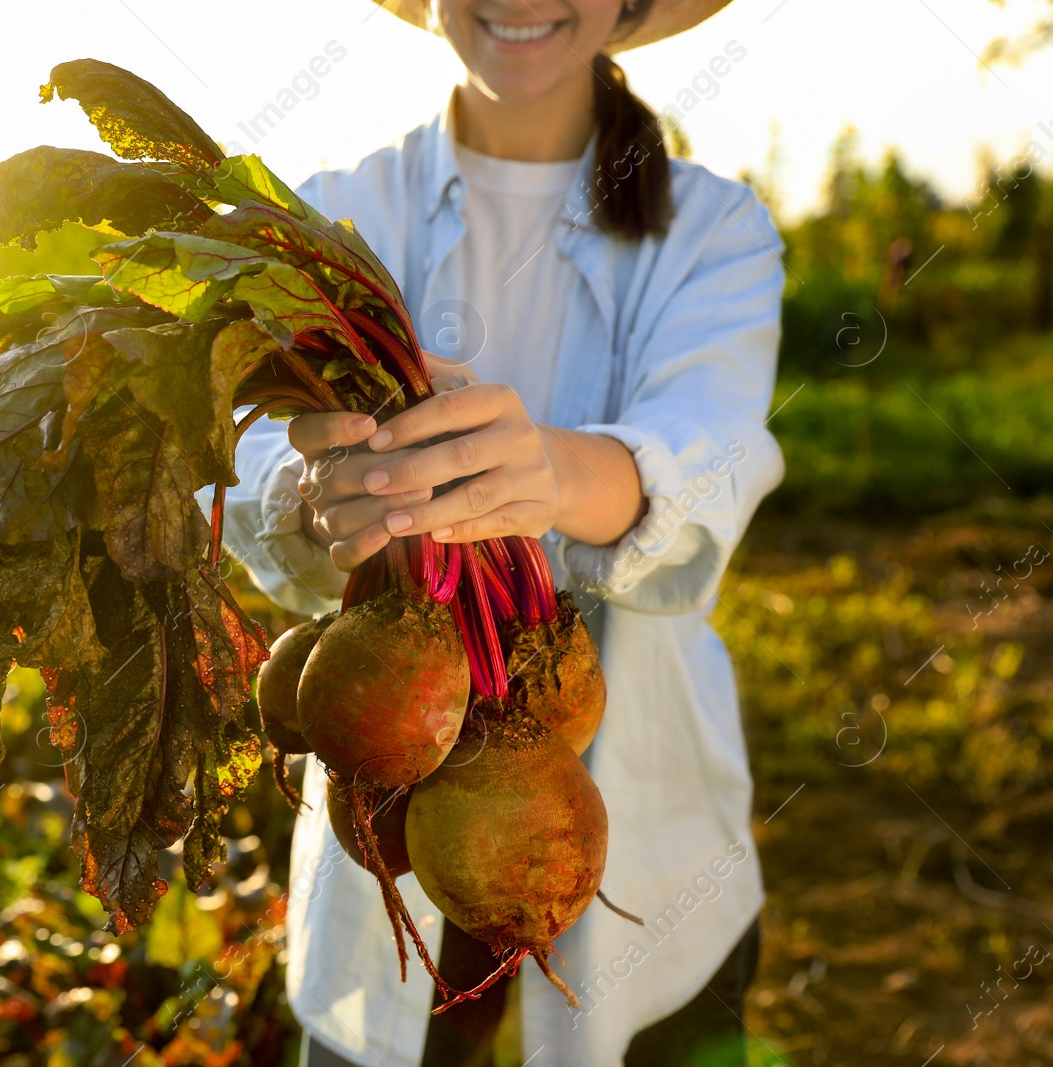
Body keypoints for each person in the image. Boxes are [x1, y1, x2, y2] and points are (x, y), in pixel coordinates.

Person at [213, 0, 782, 1063]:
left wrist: (552, 473)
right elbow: (244, 454)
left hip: (654, 818)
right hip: (383, 822)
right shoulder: (328, 213)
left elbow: (709, 453)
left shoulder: (713, 226)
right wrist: (307, 488)